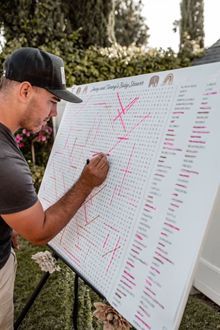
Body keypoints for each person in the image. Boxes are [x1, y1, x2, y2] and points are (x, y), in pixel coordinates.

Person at [0, 47, 109, 330]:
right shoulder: (5, 162)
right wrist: (86, 183)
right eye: (51, 100)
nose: (54, 112)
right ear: (25, 91)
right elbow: (40, 230)